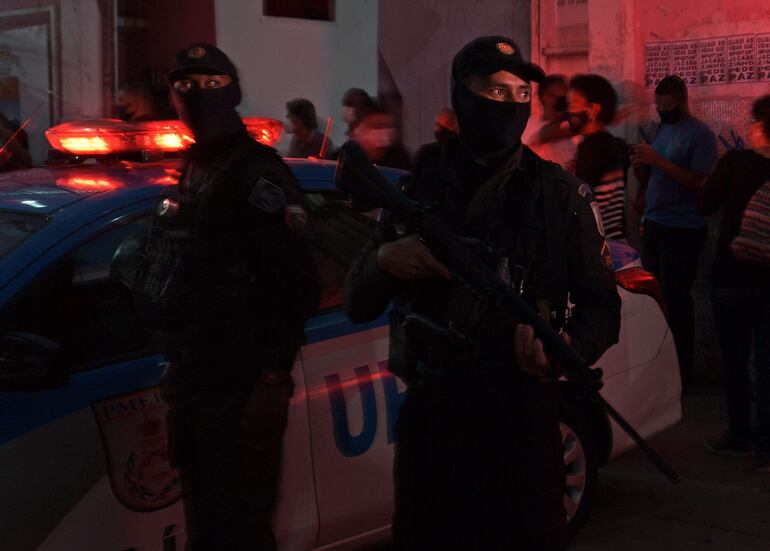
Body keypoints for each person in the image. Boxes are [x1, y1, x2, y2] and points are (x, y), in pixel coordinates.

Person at [344, 35, 621, 550]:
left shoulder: (559, 196)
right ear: (462, 95)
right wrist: (385, 261)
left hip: (523, 416)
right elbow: (356, 301)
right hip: (435, 417)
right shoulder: (414, 191)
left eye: (522, 93)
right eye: (495, 90)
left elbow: (603, 307)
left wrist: (563, 348)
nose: (512, 104)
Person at [134, 43, 319, 550]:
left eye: (210, 84)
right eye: (185, 85)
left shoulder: (256, 173)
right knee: (208, 528)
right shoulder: (195, 168)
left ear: (233, 92)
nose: (195, 95)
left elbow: (298, 284)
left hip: (240, 386)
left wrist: (273, 376)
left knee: (238, 531)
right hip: (197, 380)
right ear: (172, 98)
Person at [631, 74, 718, 391]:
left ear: (681, 101)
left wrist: (659, 160)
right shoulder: (662, 129)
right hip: (655, 223)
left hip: (683, 229)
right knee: (655, 298)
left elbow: (698, 182)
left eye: (668, 106)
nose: (663, 110)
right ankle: (658, 367)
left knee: (677, 299)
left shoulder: (700, 135)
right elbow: (654, 174)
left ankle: (683, 373)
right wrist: (642, 167)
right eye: (659, 106)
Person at [698, 95, 770, 472]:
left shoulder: (737, 161)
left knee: (736, 361)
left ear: (760, 126)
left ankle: (740, 435)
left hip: (733, 276)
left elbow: (704, 204)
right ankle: (766, 449)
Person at [567, 74, 628, 240]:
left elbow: (578, 197)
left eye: (573, 104)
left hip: (601, 243)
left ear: (593, 109)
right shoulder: (598, 142)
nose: (569, 111)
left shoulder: (597, 145)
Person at [521, 74, 576, 169]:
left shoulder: (568, 125)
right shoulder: (531, 127)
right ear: (546, 98)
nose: (566, 98)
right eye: (563, 94)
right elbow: (547, 133)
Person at [350, 105, 412, 170]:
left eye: (388, 126)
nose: (384, 132)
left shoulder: (400, 157)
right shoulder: (351, 157)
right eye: (377, 127)